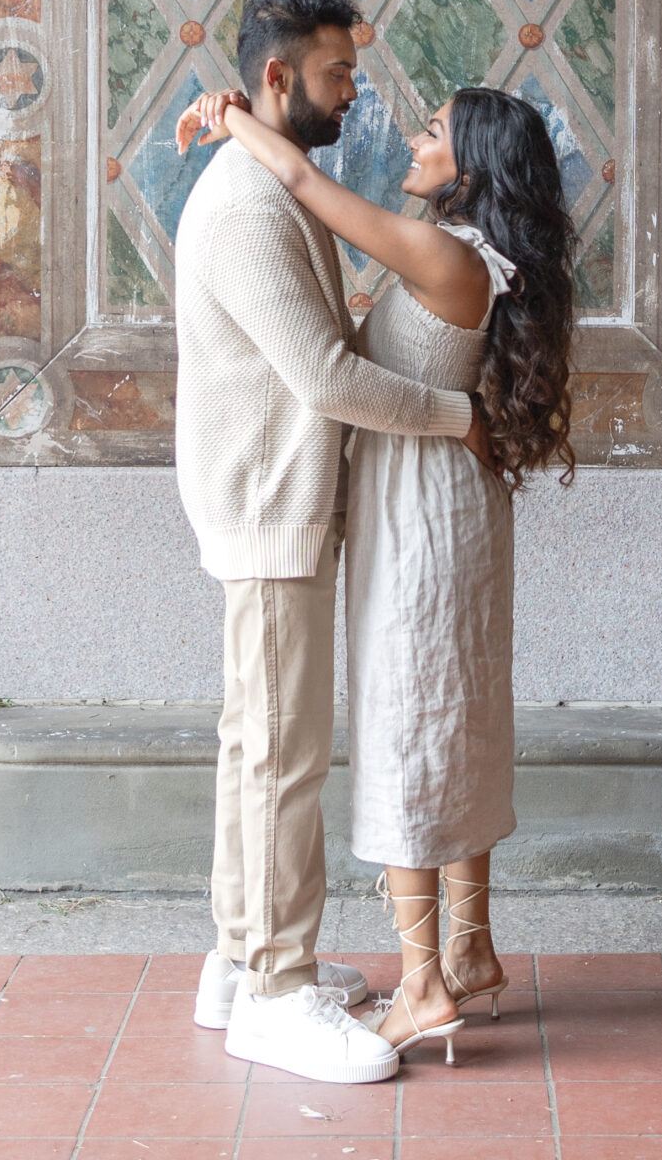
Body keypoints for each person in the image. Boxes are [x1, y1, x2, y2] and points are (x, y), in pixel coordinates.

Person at [179, 69, 576, 1065]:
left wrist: (232, 117)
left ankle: (424, 986)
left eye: (434, 130)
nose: (411, 134)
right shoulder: (479, 258)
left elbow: (315, 194)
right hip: (447, 504)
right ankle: (472, 950)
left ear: (470, 165)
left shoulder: (446, 254)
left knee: (411, 726)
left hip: (423, 512)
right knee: (465, 717)